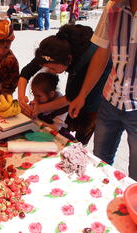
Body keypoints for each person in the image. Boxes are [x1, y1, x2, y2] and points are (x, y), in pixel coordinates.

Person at [68, 0, 137, 180]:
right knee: (100, 161)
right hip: (110, 100)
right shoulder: (113, 7)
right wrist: (82, 95)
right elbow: (101, 53)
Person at [18, 24, 112, 145]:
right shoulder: (49, 52)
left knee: (86, 113)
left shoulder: (82, 63)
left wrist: (39, 108)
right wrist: (21, 98)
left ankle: (81, 145)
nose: (50, 71)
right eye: (46, 67)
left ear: (68, 59)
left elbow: (71, 97)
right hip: (76, 61)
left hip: (100, 77)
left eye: (52, 68)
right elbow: (26, 72)